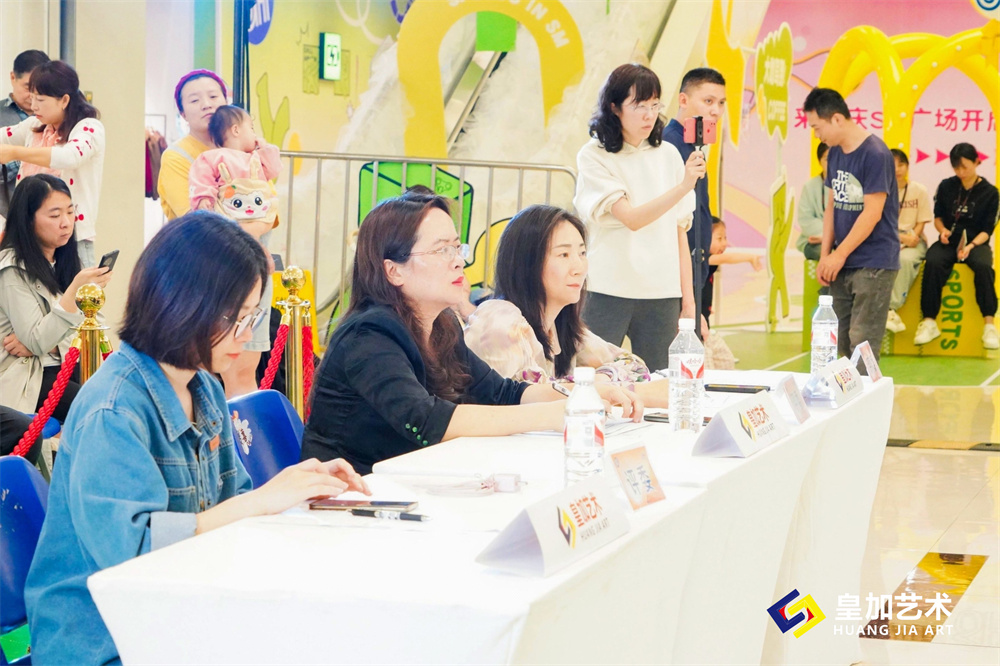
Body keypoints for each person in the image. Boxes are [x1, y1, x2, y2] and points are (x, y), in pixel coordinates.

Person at [24, 212, 369, 665]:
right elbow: (132, 556)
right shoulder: (113, 411)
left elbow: (233, 507)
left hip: (178, 614)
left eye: (251, 317)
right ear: (182, 302)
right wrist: (263, 501)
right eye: (235, 318)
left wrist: (298, 493)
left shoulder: (204, 386)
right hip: (105, 642)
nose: (246, 335)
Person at [301, 192, 642, 474]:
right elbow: (427, 421)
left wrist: (580, 395)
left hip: (417, 482)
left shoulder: (443, 325)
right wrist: (553, 414)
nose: (458, 261)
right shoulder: (368, 335)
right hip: (352, 497)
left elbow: (503, 393)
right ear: (393, 271)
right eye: (442, 250)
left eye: (457, 247)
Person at [464, 204, 671, 407]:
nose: (579, 268)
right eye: (563, 255)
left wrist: (599, 381)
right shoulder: (500, 318)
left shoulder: (559, 326)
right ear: (527, 263)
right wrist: (596, 387)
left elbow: (635, 367)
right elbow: (532, 399)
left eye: (582, 253)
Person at [574, 63, 703, 371]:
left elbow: (680, 232)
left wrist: (688, 300)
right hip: (606, 288)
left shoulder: (669, 155)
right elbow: (631, 218)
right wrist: (683, 186)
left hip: (662, 292)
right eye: (639, 106)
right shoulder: (593, 155)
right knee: (593, 376)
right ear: (614, 107)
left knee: (661, 379)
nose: (649, 115)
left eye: (655, 106)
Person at [0, 174, 111, 420]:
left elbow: (95, 330)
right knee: (98, 409)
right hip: (30, 376)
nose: (66, 223)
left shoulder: (64, 259)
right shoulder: (12, 269)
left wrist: (51, 345)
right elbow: (37, 340)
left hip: (65, 367)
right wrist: (74, 292)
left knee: (116, 399)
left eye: (70, 212)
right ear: (28, 219)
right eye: (54, 215)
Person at [189, 104, 282, 398]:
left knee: (245, 368)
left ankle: (242, 418)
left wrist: (261, 145)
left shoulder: (256, 159)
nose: (255, 134)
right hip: (230, 255)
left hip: (255, 255)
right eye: (251, 128)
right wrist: (206, 204)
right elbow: (201, 191)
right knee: (234, 369)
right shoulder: (210, 158)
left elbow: (275, 167)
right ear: (236, 130)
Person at [804, 87, 899, 364]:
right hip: (842, 261)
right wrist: (825, 256)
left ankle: (866, 391)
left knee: (862, 341)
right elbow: (832, 206)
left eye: (817, 127)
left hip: (874, 261)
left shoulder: (875, 154)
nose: (816, 134)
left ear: (836, 119)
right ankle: (848, 391)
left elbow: (872, 213)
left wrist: (839, 254)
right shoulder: (834, 154)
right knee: (841, 340)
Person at [0, 60, 104, 267]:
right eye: (32, 98)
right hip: (30, 237)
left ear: (64, 100)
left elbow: (69, 156)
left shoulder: (89, 128)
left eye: (40, 99)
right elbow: (4, 135)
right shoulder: (36, 125)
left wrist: (15, 153)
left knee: (78, 286)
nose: (33, 106)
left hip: (71, 238)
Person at [913, 143, 999, 349]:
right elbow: (938, 217)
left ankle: (989, 325)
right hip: (949, 241)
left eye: (965, 167)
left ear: (977, 162)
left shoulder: (991, 192)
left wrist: (971, 246)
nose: (961, 172)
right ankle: (929, 321)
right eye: (956, 168)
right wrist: (942, 231)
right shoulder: (946, 186)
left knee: (984, 266)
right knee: (933, 261)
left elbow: (988, 229)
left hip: (976, 243)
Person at [662, 67, 727, 322]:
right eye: (708, 101)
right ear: (683, 100)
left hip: (695, 266)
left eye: (721, 103)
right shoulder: (669, 145)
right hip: (677, 272)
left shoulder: (693, 145)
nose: (716, 110)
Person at [157, 69, 228, 220]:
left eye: (213, 96)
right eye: (195, 100)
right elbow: (196, 220)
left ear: (226, 102)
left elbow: (267, 206)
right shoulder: (175, 156)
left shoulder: (241, 147)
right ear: (183, 114)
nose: (207, 105)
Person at [885, 148, 933, 333]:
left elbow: (922, 221)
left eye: (901, 164)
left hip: (914, 239)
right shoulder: (880, 190)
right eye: (892, 165)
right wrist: (900, 238)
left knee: (904, 260)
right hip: (887, 239)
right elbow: (878, 223)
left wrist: (912, 237)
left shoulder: (918, 190)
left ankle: (891, 309)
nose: (897, 169)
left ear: (908, 166)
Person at [1, 50, 50, 219]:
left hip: (47, 218)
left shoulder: (55, 120)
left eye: (40, 89)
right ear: (13, 77)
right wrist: (27, 158)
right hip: (6, 218)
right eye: (28, 87)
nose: (33, 96)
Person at [702, 217, 762, 324]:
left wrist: (706, 306)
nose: (724, 243)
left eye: (725, 238)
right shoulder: (702, 259)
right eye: (719, 239)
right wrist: (750, 258)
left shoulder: (710, 261)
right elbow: (727, 258)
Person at [795, 142, 829, 261]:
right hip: (815, 241)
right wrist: (826, 236)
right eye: (827, 159)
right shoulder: (810, 186)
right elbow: (805, 219)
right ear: (819, 161)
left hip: (842, 242)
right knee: (825, 252)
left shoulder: (851, 185)